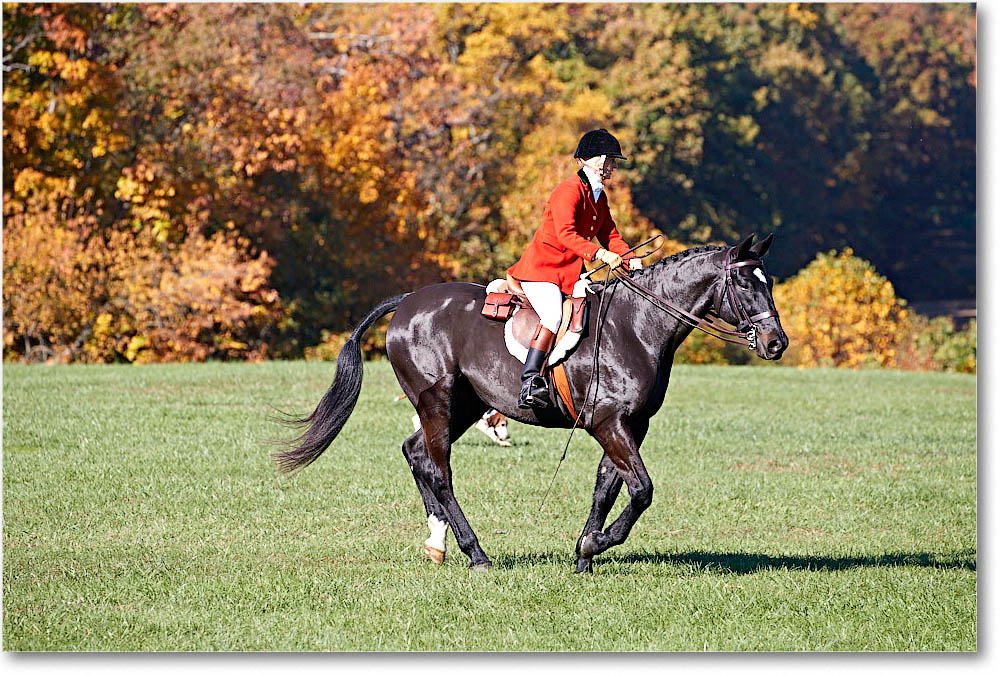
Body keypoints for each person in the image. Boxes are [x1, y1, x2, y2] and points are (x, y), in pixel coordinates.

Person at [506, 128, 642, 409]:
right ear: (596, 160)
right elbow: (566, 233)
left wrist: (630, 260)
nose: (614, 167)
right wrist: (600, 254)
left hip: (569, 273)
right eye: (611, 161)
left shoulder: (598, 196)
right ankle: (530, 380)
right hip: (542, 270)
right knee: (554, 315)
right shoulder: (568, 190)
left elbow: (611, 235)